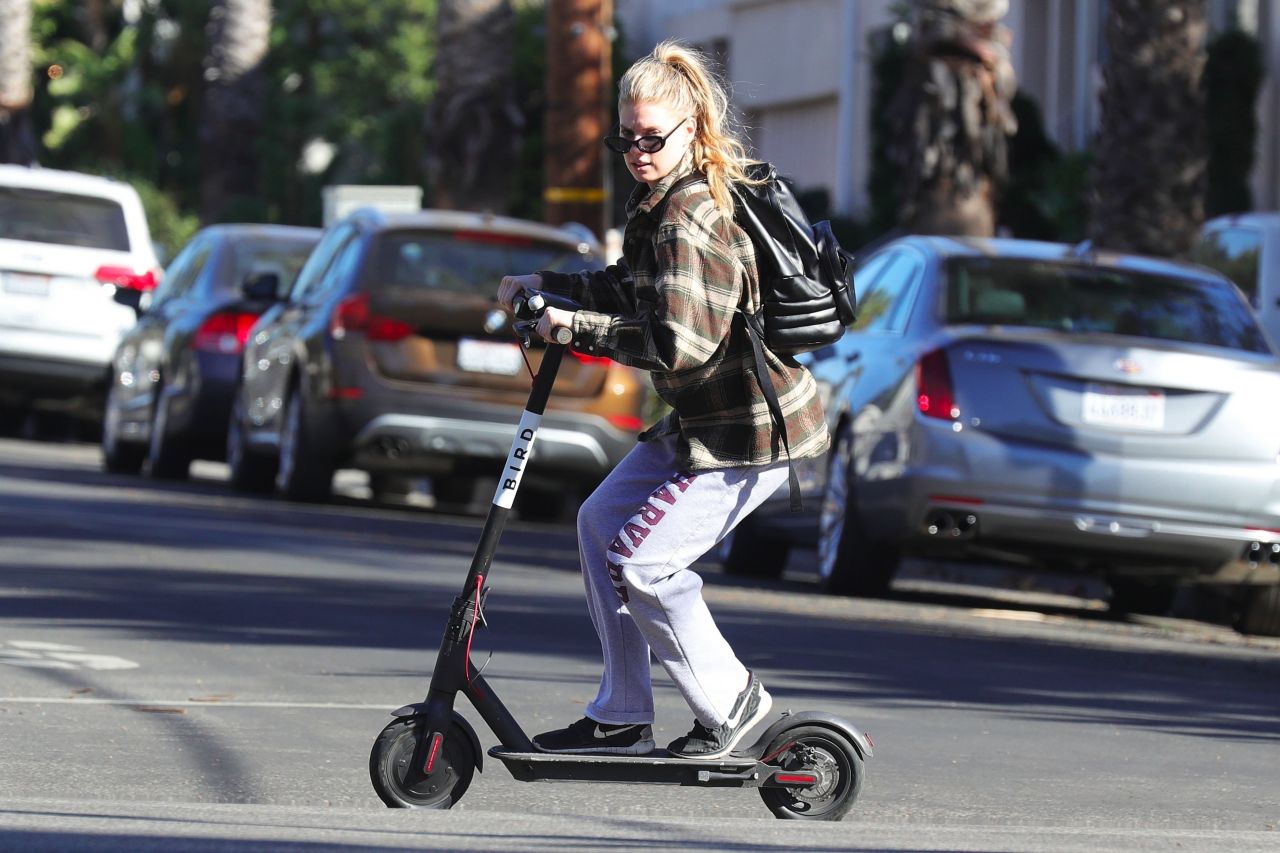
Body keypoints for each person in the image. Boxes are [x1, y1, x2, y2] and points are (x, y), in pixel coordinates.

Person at [496, 40, 828, 760]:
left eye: (654, 139)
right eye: (627, 139)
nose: (639, 151)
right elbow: (627, 288)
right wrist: (546, 286)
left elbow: (680, 343)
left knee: (644, 564)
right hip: (707, 424)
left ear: (692, 132)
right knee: (598, 524)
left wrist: (574, 329)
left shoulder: (691, 220)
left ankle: (734, 702)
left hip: (750, 435)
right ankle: (622, 709)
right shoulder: (659, 202)